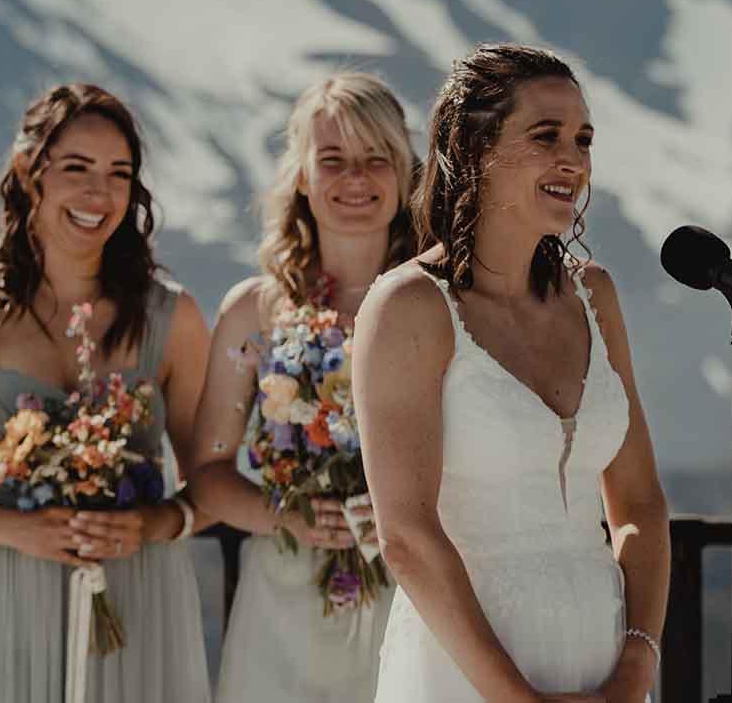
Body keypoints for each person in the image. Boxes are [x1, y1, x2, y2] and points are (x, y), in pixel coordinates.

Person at [358, 44, 669, 703]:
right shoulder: (408, 306)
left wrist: (636, 668)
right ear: (475, 148)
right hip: (466, 668)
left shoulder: (596, 296)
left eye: (583, 140)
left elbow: (638, 505)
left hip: (603, 654)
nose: (573, 161)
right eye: (546, 136)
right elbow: (406, 535)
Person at [0, 84, 214, 703]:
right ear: (27, 173)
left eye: (120, 174)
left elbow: (212, 483)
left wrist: (152, 522)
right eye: (77, 169)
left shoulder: (174, 319)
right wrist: (15, 529)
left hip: (134, 604)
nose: (100, 194)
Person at [191, 72, 419, 702]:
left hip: (415, 591)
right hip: (283, 598)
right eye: (333, 159)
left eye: (377, 159)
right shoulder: (253, 312)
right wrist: (286, 515)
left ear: (406, 175)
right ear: (300, 176)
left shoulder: (442, 303)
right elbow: (208, 469)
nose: (356, 178)